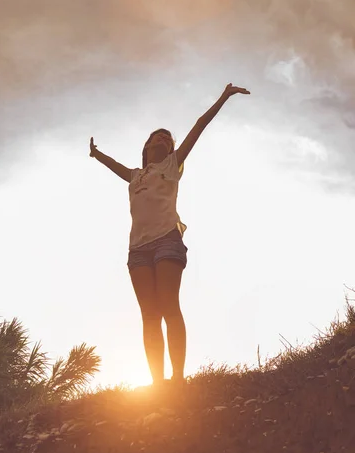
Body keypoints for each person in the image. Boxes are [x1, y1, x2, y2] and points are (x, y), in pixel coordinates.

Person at [89, 83, 250, 389]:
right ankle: (157, 383)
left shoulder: (172, 165)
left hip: (166, 240)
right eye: (157, 137)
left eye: (168, 138)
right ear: (146, 147)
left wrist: (224, 96)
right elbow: (115, 166)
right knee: (149, 315)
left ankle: (177, 378)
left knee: (168, 305)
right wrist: (96, 154)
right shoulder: (135, 175)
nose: (163, 139)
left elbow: (199, 126)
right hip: (137, 249)